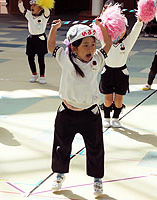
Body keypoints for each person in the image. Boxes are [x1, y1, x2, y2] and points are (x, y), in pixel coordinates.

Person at [47, 18, 112, 197]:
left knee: (95, 148)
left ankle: (97, 180)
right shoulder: (65, 58)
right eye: (85, 45)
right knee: (61, 146)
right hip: (66, 113)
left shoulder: (97, 59)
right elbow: (51, 46)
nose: (91, 49)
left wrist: (101, 27)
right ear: (74, 48)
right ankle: (59, 174)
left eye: (92, 44)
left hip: (90, 114)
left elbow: (108, 44)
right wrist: (54, 29)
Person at [99, 17, 143, 128]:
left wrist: (139, 21)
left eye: (121, 30)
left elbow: (134, 33)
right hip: (107, 72)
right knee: (107, 98)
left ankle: (116, 117)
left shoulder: (126, 43)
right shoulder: (105, 41)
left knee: (119, 98)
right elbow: (100, 31)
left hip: (121, 73)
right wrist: (99, 24)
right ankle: (106, 116)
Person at [18, 0, 51, 84]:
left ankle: (42, 76)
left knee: (41, 58)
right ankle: (34, 74)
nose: (32, 7)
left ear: (40, 8)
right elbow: (22, 10)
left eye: (34, 6)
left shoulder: (44, 16)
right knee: (30, 57)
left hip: (40, 39)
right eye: (31, 6)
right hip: (31, 38)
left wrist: (43, 5)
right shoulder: (29, 15)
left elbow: (47, 10)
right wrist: (20, 3)